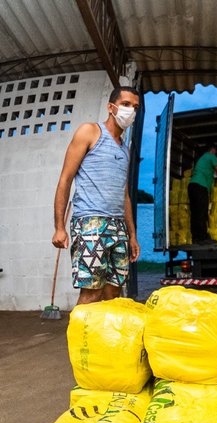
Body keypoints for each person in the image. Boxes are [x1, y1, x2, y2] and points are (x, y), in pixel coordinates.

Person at [52, 86, 142, 305]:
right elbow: (65, 179)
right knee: (91, 293)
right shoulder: (90, 132)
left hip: (118, 226)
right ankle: (80, 330)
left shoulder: (124, 149)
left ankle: (105, 330)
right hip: (90, 223)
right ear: (111, 107)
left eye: (135, 107)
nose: (131, 111)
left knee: (114, 292)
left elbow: (124, 195)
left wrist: (132, 235)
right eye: (126, 104)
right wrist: (59, 227)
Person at [188, 143, 217, 245]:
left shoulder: (202, 159)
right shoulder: (211, 156)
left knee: (195, 213)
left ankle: (196, 238)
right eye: (215, 151)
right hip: (200, 186)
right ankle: (203, 238)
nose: (215, 153)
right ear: (212, 150)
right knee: (202, 212)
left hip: (192, 186)